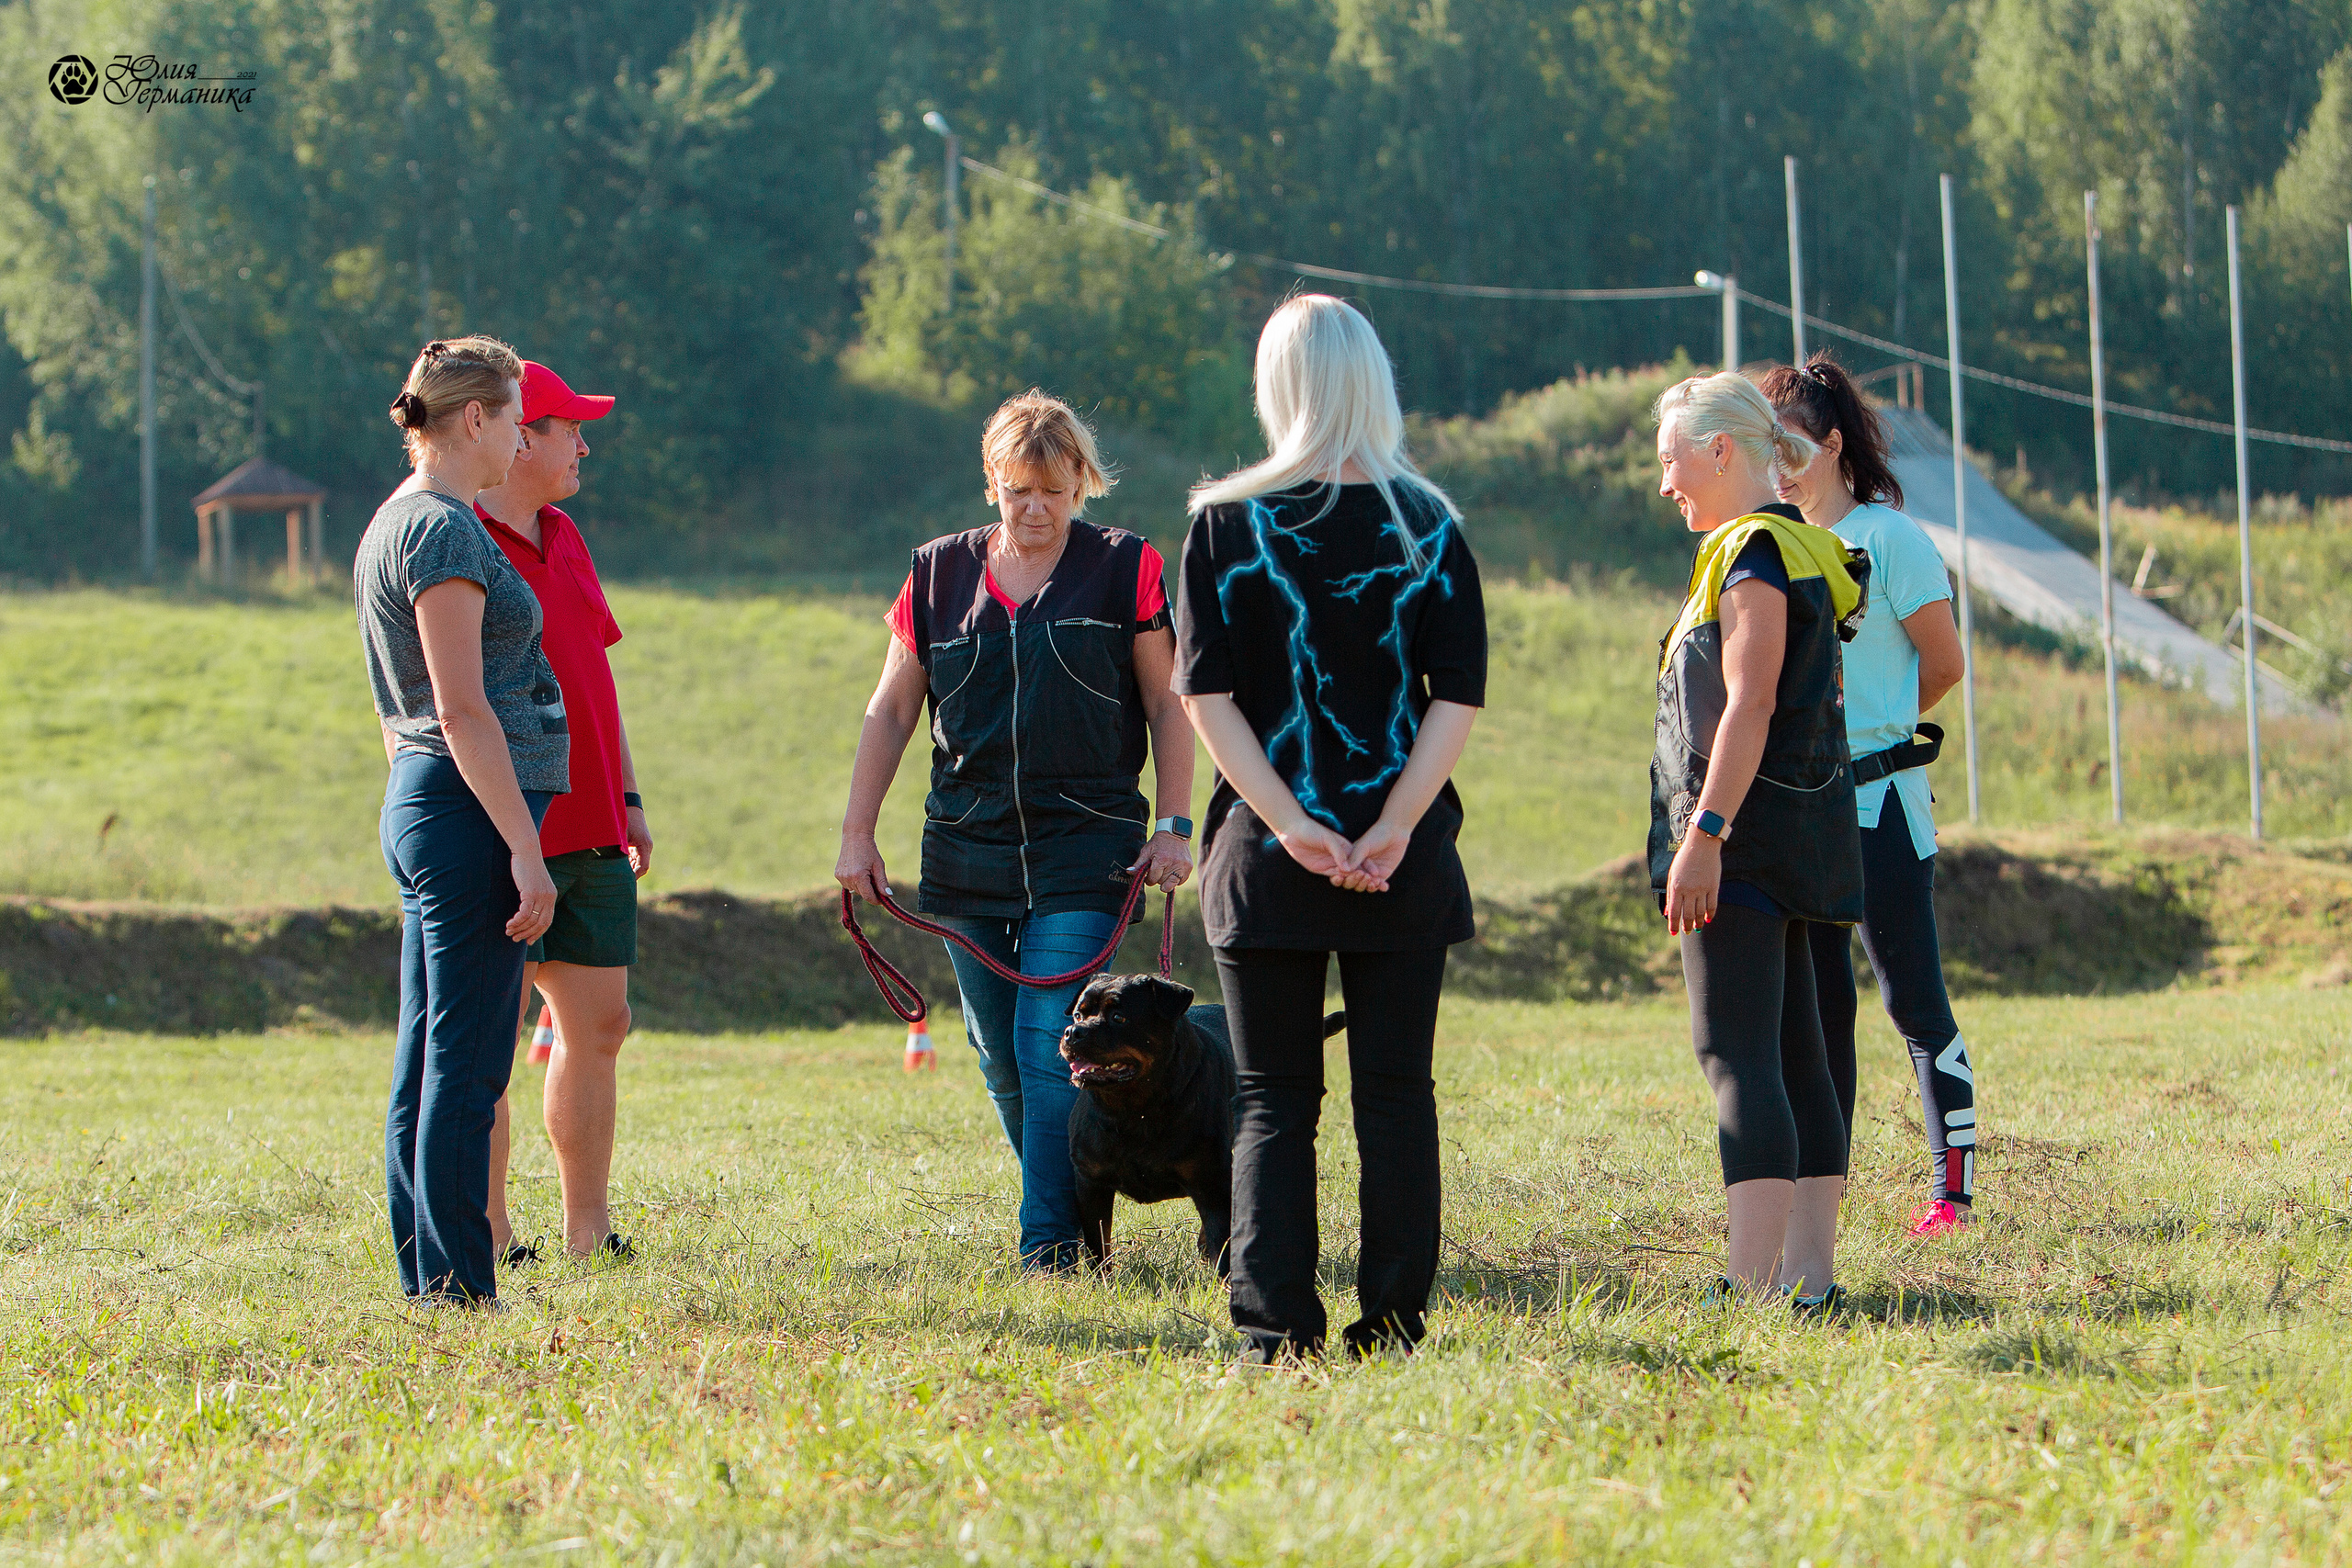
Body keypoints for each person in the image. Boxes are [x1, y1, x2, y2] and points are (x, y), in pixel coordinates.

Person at [1174, 295, 1487, 1364]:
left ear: (1276, 385)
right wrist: (1392, 825)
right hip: (1403, 856)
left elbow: (1205, 697)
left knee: (1271, 1100)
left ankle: (1274, 1332)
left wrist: (1291, 824)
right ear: (1374, 381)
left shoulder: (1222, 523)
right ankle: (1391, 1328)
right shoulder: (1428, 521)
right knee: (1395, 1097)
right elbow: (1456, 695)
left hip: (1265, 856)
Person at [834, 389, 1195, 1273]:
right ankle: (1071, 1205)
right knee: (998, 1056)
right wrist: (857, 834)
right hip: (966, 849)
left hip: (1089, 846)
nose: (1035, 509)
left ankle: (1052, 1247)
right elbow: (891, 710)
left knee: (1046, 1046)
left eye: (1054, 491)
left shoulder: (1128, 567)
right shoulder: (935, 574)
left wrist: (1174, 824)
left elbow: (1167, 704)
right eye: (1018, 490)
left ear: (1081, 484)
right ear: (992, 480)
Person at [355, 336, 567, 1308]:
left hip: (431, 799)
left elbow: (397, 706)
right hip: (467, 808)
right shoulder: (442, 530)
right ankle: (454, 1284)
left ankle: (429, 1273)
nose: (522, 438)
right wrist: (525, 849)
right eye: (516, 418)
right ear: (474, 418)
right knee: (469, 1060)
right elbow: (460, 706)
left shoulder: (393, 520)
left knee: (430, 1054)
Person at [1650, 369, 1866, 1308]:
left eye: (1672, 459)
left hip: (1745, 842)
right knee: (1801, 1055)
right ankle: (1808, 1281)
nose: (1666, 482)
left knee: (1737, 1052)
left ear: (1720, 451)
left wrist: (1704, 834)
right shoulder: (1806, 547)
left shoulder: (1749, 554)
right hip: (1810, 836)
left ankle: (1749, 1286)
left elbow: (1750, 703)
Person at [1760, 354, 1976, 1237]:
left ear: (1834, 445)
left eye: (1791, 449)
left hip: (1883, 808)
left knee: (1912, 1000)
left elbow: (1946, 664)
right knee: (1817, 1015)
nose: (1778, 470)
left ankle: (1952, 1193)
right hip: (1806, 811)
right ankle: (1822, 1196)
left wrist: (1878, 726)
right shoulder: (1774, 546)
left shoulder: (1891, 539)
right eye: (1766, 452)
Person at [474, 360, 649, 1263]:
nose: (583, 445)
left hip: (593, 829)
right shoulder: (458, 541)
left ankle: (589, 1230)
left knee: (602, 1027)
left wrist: (629, 796)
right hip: (502, 830)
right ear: (516, 437)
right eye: (568, 429)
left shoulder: (566, 533)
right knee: (485, 1043)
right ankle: (491, 1234)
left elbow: (594, 673)